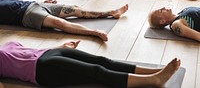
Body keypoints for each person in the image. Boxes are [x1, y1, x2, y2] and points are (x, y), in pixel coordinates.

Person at [0, 40, 180, 88]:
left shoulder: (8, 44)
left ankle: (152, 71)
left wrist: (60, 47)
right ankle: (154, 80)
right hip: (41, 70)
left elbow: (27, 51)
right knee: (97, 71)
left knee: (102, 60)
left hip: (49, 53)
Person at [0, 0, 128, 41]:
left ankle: (111, 13)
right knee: (59, 23)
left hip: (35, 4)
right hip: (26, 15)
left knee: (75, 10)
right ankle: (95, 32)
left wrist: (43, 2)